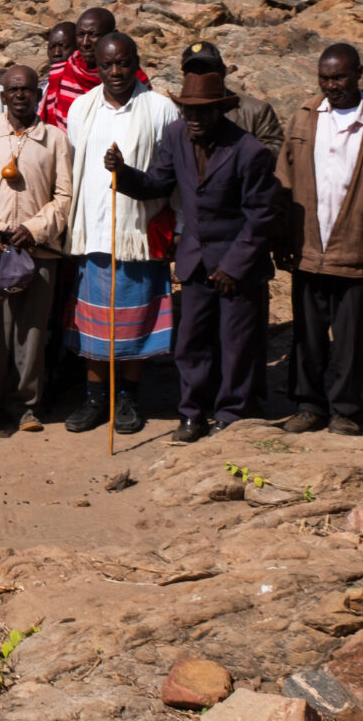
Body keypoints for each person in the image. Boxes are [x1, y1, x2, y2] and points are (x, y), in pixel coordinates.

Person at [104, 67, 280, 442]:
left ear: (221, 110)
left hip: (238, 266)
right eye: (188, 110)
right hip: (194, 258)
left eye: (202, 112)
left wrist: (233, 266)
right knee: (191, 342)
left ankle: (232, 415)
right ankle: (192, 414)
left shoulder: (250, 151)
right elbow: (158, 183)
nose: (194, 119)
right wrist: (124, 174)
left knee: (236, 345)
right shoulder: (175, 136)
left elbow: (261, 217)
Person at [61, 32, 176, 436]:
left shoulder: (160, 108)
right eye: (106, 64)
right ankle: (95, 399)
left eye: (123, 63)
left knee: (135, 321)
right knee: (94, 323)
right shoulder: (81, 108)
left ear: (136, 62)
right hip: (93, 230)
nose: (115, 72)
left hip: (137, 233)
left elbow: (169, 173)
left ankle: (127, 397)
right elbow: (74, 162)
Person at [275, 43, 363, 435]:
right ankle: (309, 404)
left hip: (358, 246)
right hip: (309, 245)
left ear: (359, 72)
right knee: (306, 332)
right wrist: (284, 237)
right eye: (324, 78)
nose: (331, 85)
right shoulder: (306, 117)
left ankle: (345, 407)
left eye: (339, 77)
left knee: (351, 335)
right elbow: (285, 177)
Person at [0, 64, 70, 433]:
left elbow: (64, 196)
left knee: (31, 330)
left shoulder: (55, 139)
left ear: (39, 94)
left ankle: (26, 405)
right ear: (3, 96)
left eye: (27, 89)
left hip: (39, 250)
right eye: (13, 90)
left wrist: (34, 230)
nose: (20, 95)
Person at [183, 42, 283, 150]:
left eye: (207, 70)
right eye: (192, 72)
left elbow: (276, 150)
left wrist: (237, 156)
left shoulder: (257, 111)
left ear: (223, 71)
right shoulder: (179, 110)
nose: (200, 77)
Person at [40, 9, 111, 130]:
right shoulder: (58, 75)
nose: (85, 43)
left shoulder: (127, 77)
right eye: (81, 35)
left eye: (93, 35)